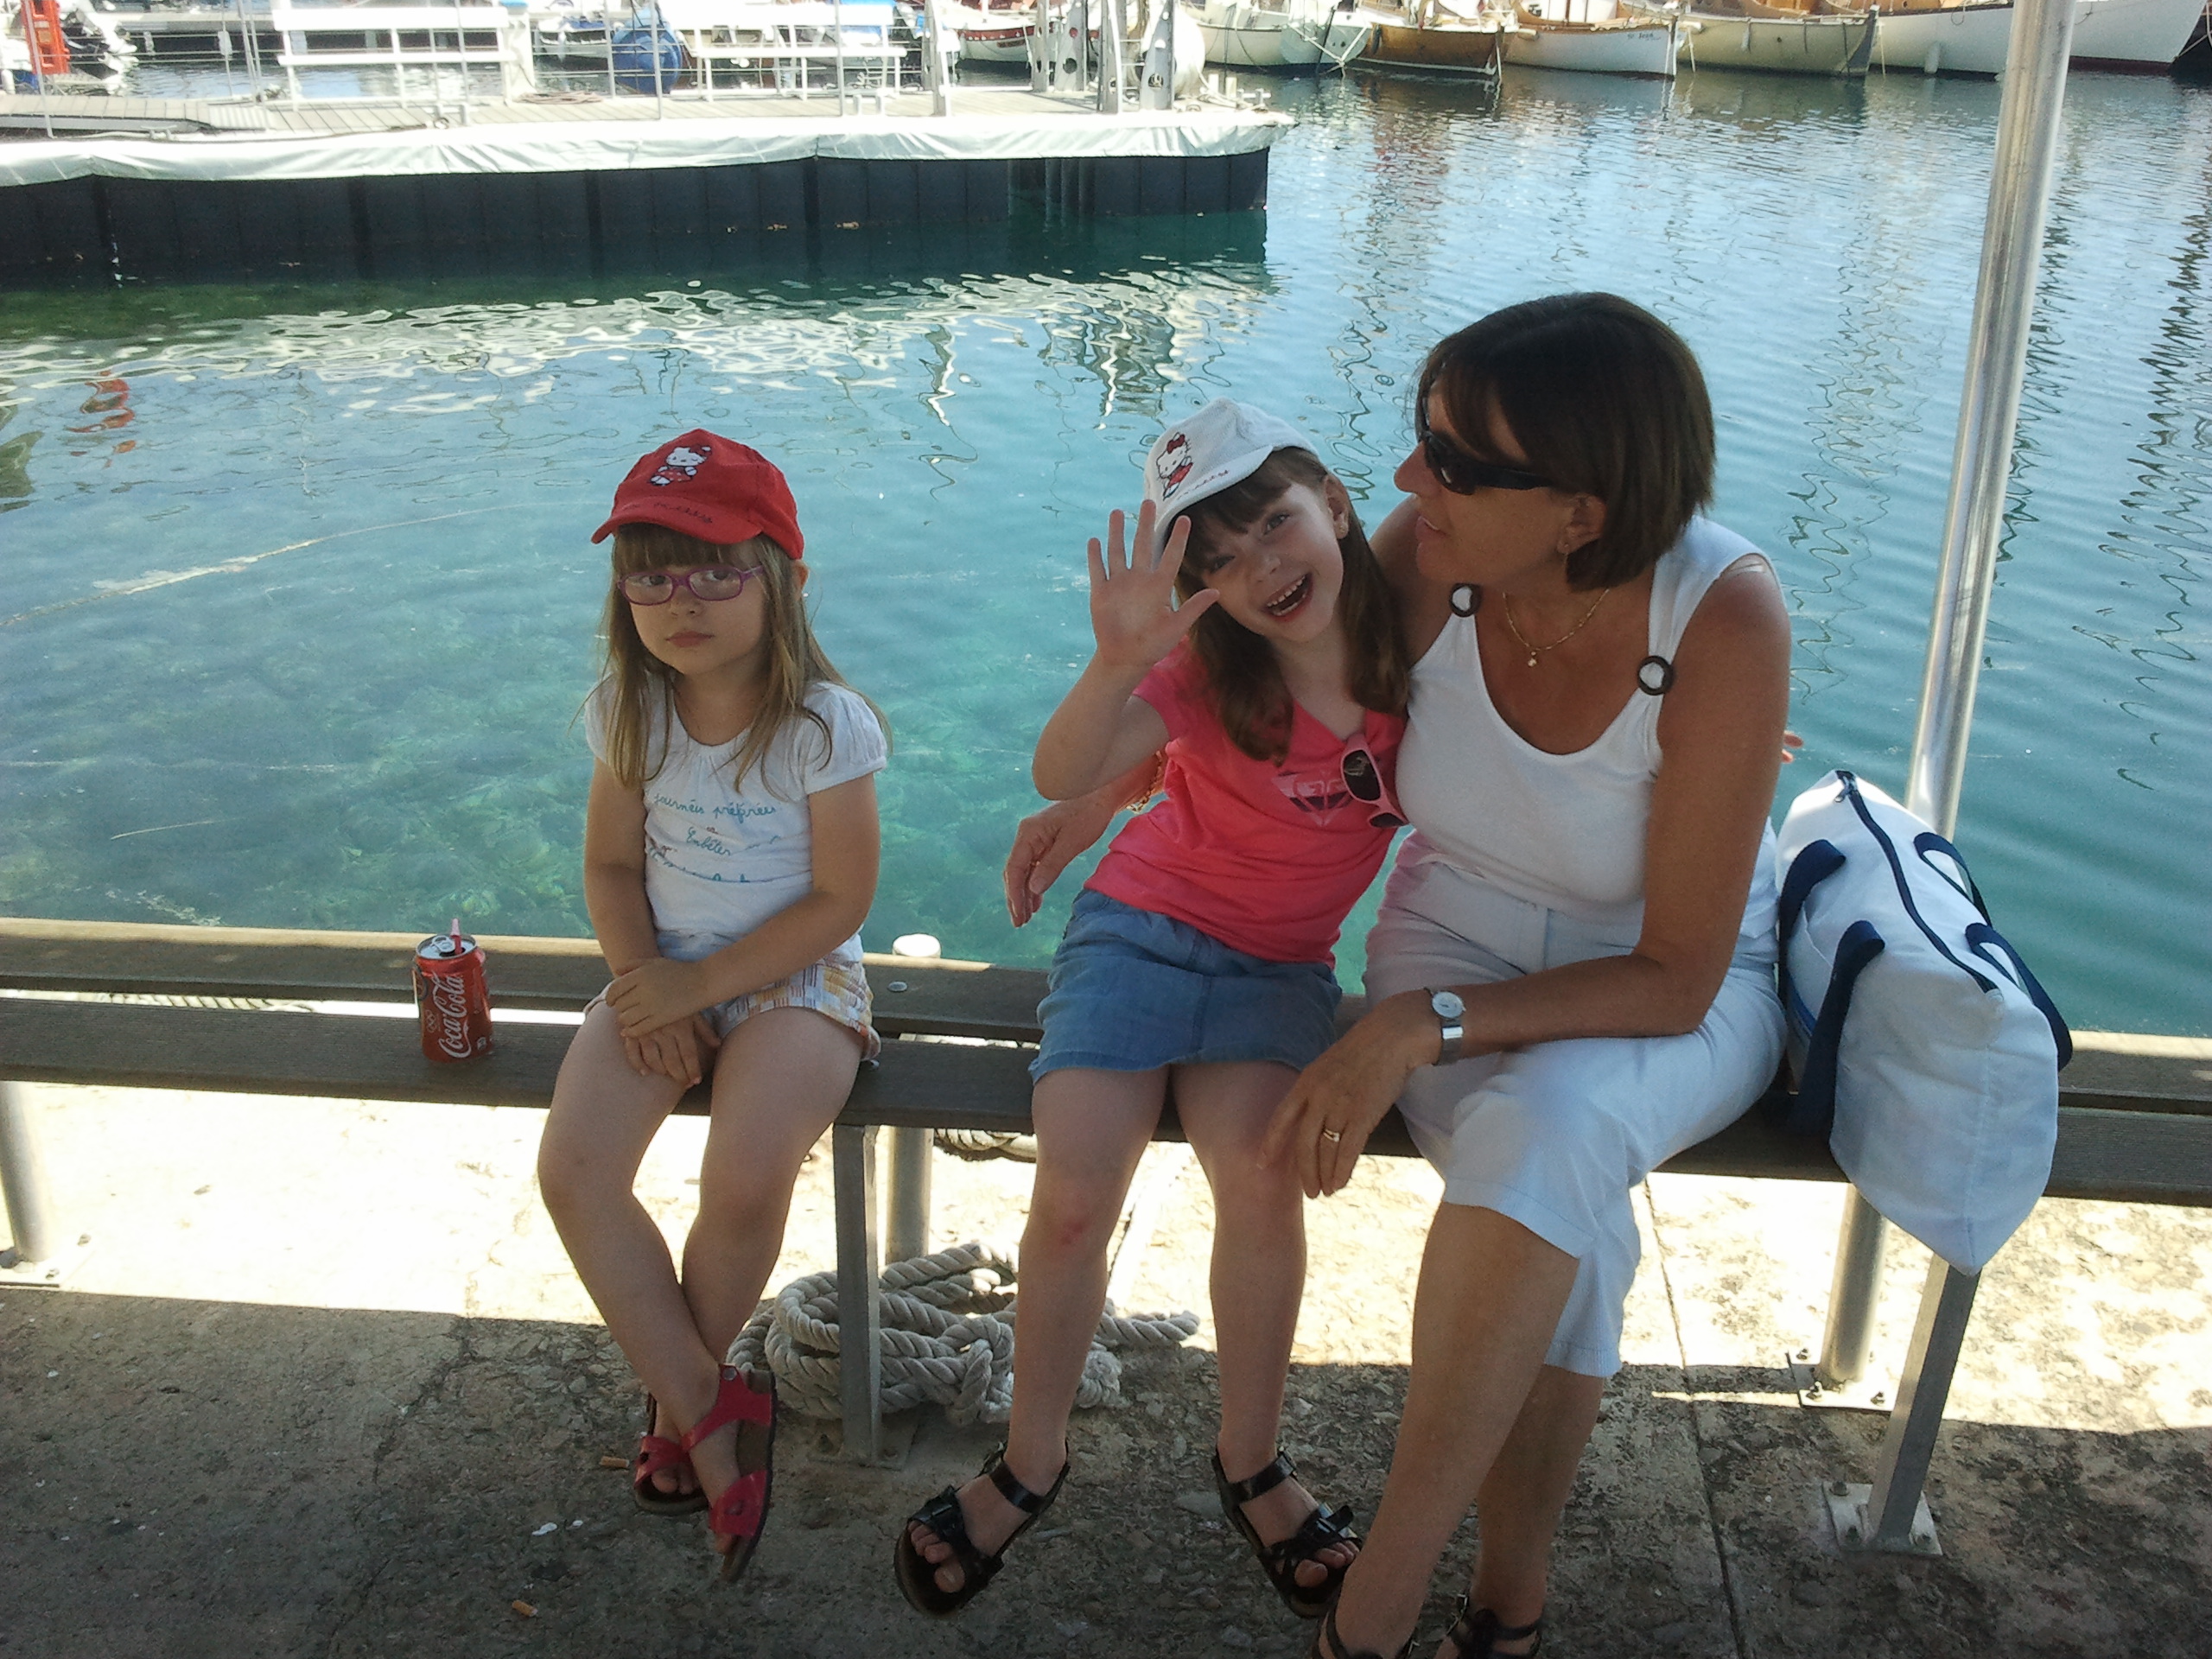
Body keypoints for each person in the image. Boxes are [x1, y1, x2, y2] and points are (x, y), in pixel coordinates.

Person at [1007, 296, 1791, 1659]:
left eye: (1455, 460)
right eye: (1422, 439)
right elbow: (1257, 688)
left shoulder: (1719, 619)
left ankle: (1386, 1602)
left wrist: (1418, 1027)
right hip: (1453, 930)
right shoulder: (1435, 552)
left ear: (1581, 512)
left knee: (1548, 1141)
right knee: (1555, 1204)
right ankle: (1509, 1602)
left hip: (1666, 973)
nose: (1410, 476)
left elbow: (1675, 975)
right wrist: (1100, 795)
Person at [896, 400, 1406, 1623]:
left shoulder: (1416, 650)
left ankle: (1251, 1461)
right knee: (1074, 1197)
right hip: (1139, 933)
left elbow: (1540, 695)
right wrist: (1116, 660)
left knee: (1260, 1178)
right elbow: (1061, 770)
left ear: (1336, 504)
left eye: (1274, 524)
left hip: (1277, 968)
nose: (1262, 568)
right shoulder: (1201, 669)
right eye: (1218, 559)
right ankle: (1031, 1459)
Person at [537, 430, 888, 1582]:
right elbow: (610, 868)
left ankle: (677, 1407)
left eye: (715, 570)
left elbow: (841, 899)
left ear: (784, 577)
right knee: (575, 1171)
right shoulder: (628, 713)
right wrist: (650, 985)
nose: (681, 599)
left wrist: (701, 987)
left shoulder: (823, 724)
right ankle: (703, 1399)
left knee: (742, 1171)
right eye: (652, 575)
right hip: (662, 963)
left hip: (798, 978)